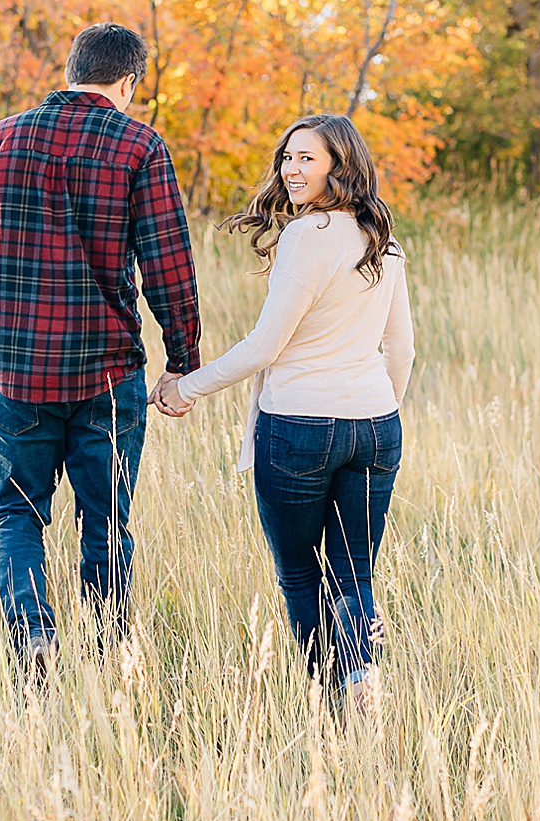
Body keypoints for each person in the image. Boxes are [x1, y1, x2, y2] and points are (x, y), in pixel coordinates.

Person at [0, 22, 200, 679]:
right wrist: (183, 360)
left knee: (15, 514)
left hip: (18, 372)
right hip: (107, 373)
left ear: (69, 71)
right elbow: (169, 265)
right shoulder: (139, 144)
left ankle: (33, 634)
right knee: (107, 522)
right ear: (129, 83)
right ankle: (111, 654)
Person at [154, 114, 413, 712]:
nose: (292, 170)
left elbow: (265, 346)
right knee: (355, 576)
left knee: (300, 575)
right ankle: (362, 679)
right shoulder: (384, 240)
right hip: (376, 426)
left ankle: (330, 701)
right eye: (288, 158)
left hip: (298, 427)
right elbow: (403, 350)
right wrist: (373, 411)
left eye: (308, 159)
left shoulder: (306, 236)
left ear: (338, 167)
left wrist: (188, 387)